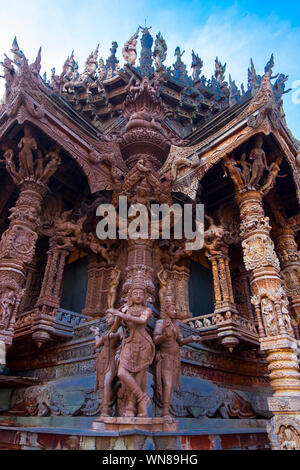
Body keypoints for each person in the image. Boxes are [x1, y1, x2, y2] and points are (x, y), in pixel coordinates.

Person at [153, 286, 201, 422]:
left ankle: (166, 409)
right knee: (167, 384)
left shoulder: (176, 325)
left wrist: (191, 339)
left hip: (175, 358)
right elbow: (155, 339)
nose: (175, 311)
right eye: (173, 309)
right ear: (166, 309)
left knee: (171, 385)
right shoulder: (161, 323)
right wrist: (163, 336)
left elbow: (180, 341)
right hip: (166, 357)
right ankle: (165, 412)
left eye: (175, 309)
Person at [111, 271, 155, 417]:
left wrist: (123, 315)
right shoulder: (125, 309)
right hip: (129, 343)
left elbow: (142, 321)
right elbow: (113, 329)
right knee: (122, 372)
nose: (137, 295)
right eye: (135, 293)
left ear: (144, 297)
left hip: (144, 343)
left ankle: (131, 406)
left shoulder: (147, 310)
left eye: (140, 293)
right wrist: (118, 315)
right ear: (130, 296)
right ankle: (142, 397)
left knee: (138, 377)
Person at [90, 310, 123, 417]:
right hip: (102, 359)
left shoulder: (120, 329)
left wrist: (119, 352)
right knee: (102, 385)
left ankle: (106, 411)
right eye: (106, 318)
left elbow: (124, 341)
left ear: (115, 317)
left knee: (107, 382)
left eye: (109, 317)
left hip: (112, 359)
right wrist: (96, 334)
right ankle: (103, 410)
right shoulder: (106, 332)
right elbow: (98, 344)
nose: (107, 320)